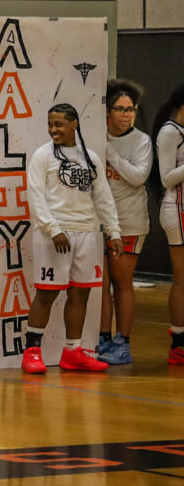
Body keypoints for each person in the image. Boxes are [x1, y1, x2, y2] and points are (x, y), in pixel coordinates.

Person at [22, 103, 123, 374]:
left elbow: (102, 196)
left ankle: (73, 352)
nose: (54, 129)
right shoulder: (42, 156)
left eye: (59, 124)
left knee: (80, 293)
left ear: (74, 124)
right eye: (50, 124)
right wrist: (53, 229)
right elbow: (35, 195)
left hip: (87, 233)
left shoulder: (90, 157)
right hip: (55, 234)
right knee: (47, 293)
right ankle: (32, 352)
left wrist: (113, 231)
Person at [97, 79, 152, 364]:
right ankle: (103, 338)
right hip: (100, 222)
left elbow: (137, 176)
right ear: (108, 111)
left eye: (130, 109)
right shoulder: (97, 136)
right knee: (100, 283)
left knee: (122, 282)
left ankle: (123, 342)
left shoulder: (141, 140)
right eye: (120, 108)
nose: (126, 114)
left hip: (129, 221)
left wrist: (111, 154)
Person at [151, 83, 184, 365]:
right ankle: (179, 343)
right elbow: (166, 178)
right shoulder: (171, 131)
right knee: (182, 278)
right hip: (178, 208)